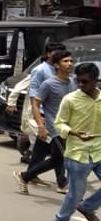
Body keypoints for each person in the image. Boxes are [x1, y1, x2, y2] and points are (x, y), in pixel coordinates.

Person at [50, 62, 101, 221]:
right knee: (76, 193)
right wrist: (73, 132)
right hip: (77, 154)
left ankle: (87, 207)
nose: (80, 85)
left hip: (99, 151)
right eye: (77, 81)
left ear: (95, 80)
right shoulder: (70, 99)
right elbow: (59, 123)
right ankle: (60, 220)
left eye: (84, 81)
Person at [14, 50, 74, 194]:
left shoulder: (73, 82)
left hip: (68, 127)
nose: (70, 64)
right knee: (60, 157)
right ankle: (29, 177)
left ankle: (26, 176)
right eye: (65, 61)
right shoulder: (48, 84)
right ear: (56, 65)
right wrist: (41, 125)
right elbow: (35, 103)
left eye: (71, 61)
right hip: (54, 127)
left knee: (48, 154)